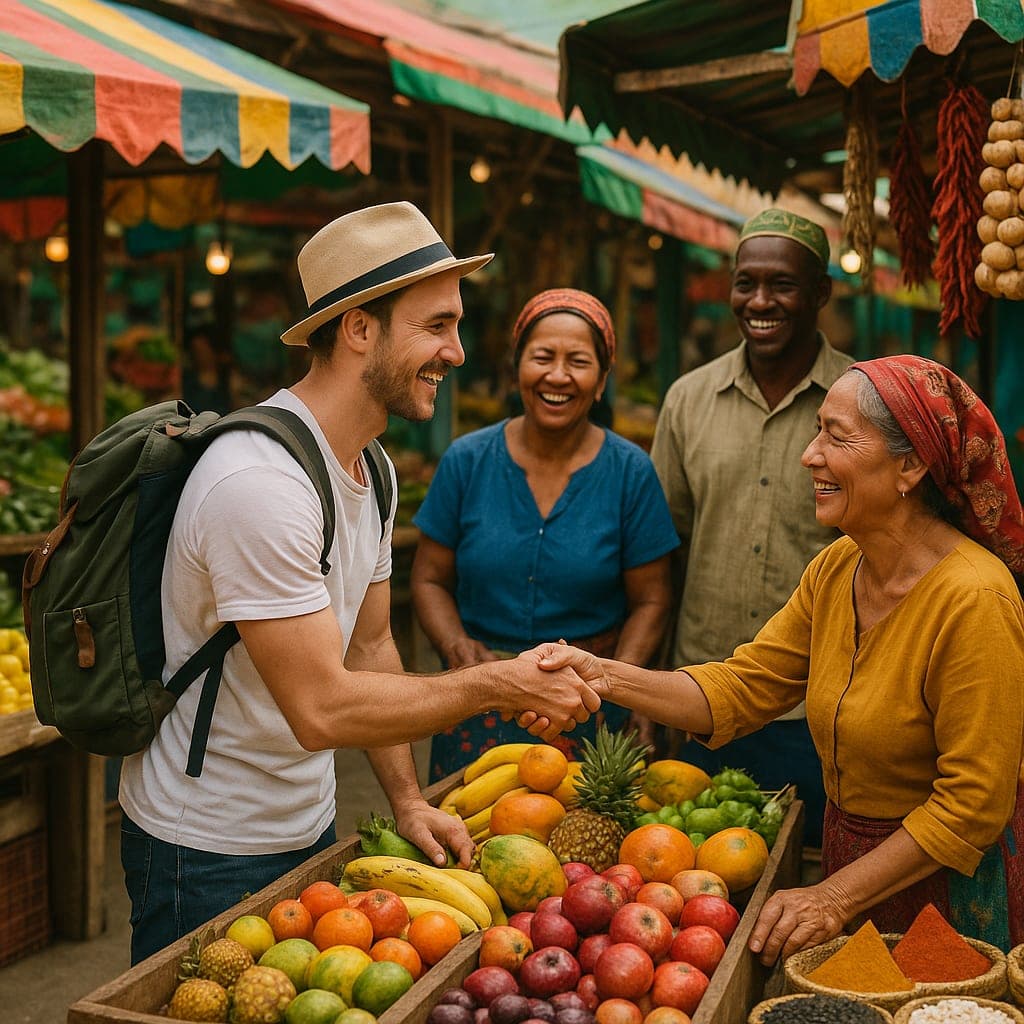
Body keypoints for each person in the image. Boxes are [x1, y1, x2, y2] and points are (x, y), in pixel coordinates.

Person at [118, 203, 601, 964]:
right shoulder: (259, 482)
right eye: (437, 326)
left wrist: (407, 799)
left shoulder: (369, 467)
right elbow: (321, 706)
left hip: (305, 824)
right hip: (204, 846)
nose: (460, 351)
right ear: (359, 330)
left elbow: (372, 646)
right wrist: (497, 684)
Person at [534, 354, 1024, 959]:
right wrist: (600, 673)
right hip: (855, 868)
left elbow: (972, 805)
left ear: (911, 464)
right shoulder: (838, 567)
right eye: (816, 430)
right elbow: (744, 687)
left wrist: (834, 896)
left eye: (836, 436)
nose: (809, 454)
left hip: (948, 892)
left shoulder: (975, 598)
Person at [411, 288, 679, 779]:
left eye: (578, 361)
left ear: (601, 382)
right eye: (542, 357)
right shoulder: (466, 461)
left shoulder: (630, 472)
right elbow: (428, 579)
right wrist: (455, 645)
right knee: (461, 840)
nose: (558, 376)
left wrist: (616, 682)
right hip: (479, 700)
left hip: (585, 707)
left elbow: (653, 600)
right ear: (517, 371)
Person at [650, 208, 853, 847]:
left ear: (820, 293)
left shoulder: (860, 399)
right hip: (701, 695)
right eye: (746, 283)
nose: (759, 301)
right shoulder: (688, 398)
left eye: (782, 285)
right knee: (694, 884)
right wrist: (655, 695)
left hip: (818, 705)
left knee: (812, 879)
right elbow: (664, 553)